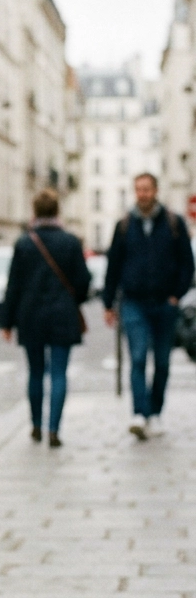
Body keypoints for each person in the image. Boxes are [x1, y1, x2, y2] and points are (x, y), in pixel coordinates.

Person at [103, 172, 194, 439]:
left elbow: (187, 264)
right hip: (134, 303)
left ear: (156, 190)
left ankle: (155, 413)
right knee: (139, 357)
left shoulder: (173, 223)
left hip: (166, 304)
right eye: (138, 190)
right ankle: (139, 414)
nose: (142, 194)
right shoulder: (124, 225)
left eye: (146, 189)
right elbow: (113, 266)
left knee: (163, 363)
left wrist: (176, 295)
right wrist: (109, 303)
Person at [2, 189, 90, 447]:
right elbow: (83, 281)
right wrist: (74, 300)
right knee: (59, 372)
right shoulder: (71, 242)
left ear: (35, 212)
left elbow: (14, 285)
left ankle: (36, 426)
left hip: (31, 316)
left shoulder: (24, 242)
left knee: (36, 372)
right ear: (57, 211)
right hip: (63, 314)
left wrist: (7, 321)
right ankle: (54, 429)